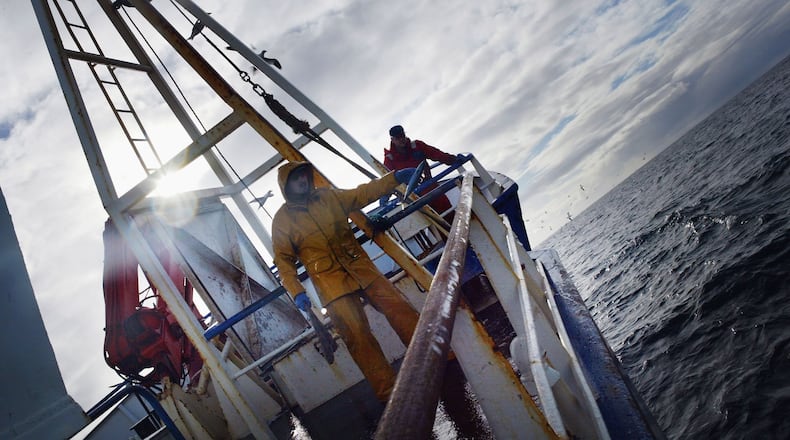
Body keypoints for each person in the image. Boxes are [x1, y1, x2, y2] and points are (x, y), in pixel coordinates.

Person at [271, 161, 420, 402]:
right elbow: (283, 261)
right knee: (358, 338)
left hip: (361, 268)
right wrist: (297, 290)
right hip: (331, 284)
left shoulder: (329, 197)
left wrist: (395, 178)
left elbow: (362, 193)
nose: (302, 180)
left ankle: (433, 357)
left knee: (400, 308)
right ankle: (390, 395)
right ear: (286, 186)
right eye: (296, 178)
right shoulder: (282, 221)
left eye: (304, 175)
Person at [383, 125, 462, 217]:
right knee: (435, 224)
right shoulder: (390, 160)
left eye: (402, 135)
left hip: (433, 189)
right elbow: (388, 182)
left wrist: (453, 159)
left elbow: (436, 154)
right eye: (398, 138)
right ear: (392, 140)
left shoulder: (417, 146)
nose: (401, 139)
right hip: (415, 200)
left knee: (450, 214)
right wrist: (384, 202)